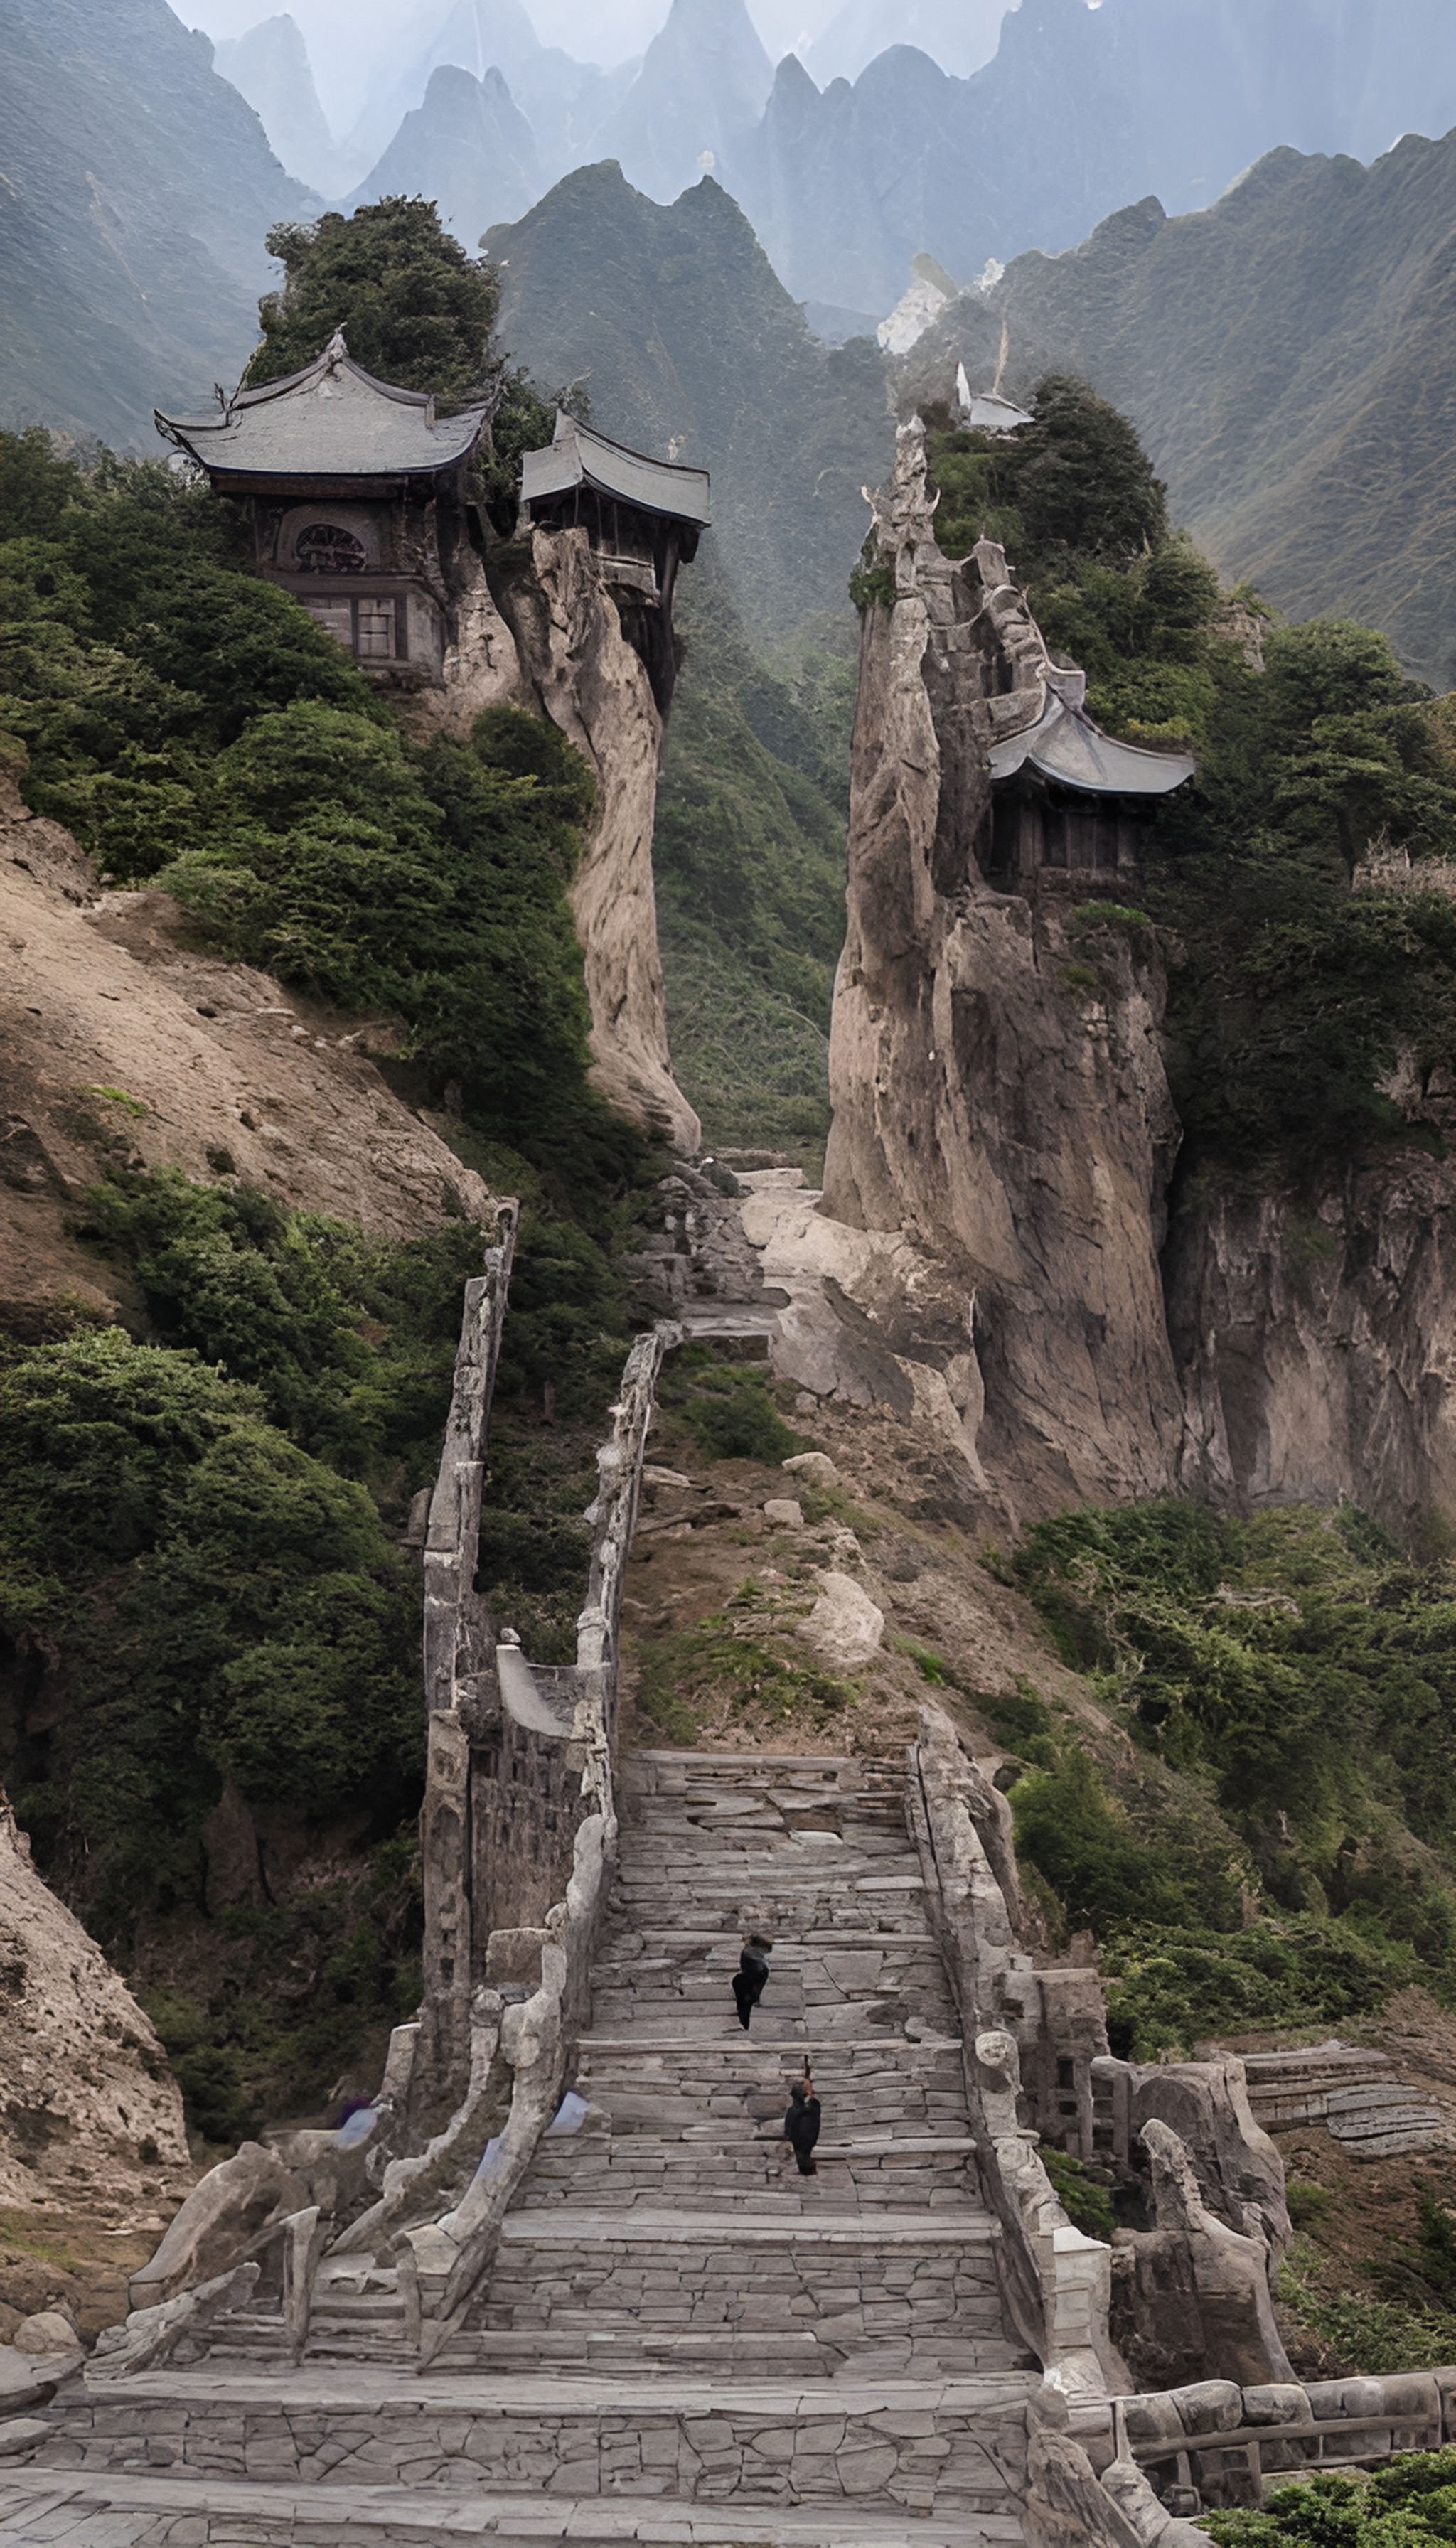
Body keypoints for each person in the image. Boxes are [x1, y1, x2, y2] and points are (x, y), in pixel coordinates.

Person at [783, 2068, 821, 2175]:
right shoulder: (809, 2108)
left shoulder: (795, 2111)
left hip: (802, 2138)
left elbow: (788, 2130)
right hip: (804, 2137)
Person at [732, 1933, 774, 2030]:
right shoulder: (763, 1956)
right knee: (747, 2006)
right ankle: (745, 2024)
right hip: (754, 1985)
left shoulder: (746, 1953)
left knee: (743, 2006)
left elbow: (745, 1968)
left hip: (744, 1984)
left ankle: (744, 2024)